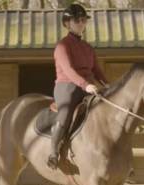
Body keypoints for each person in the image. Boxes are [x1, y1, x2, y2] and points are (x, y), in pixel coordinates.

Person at [47, 3, 109, 170]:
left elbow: (96, 70)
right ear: (67, 23)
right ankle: (53, 152)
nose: (81, 23)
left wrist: (108, 86)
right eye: (77, 20)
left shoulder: (88, 48)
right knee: (66, 112)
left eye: (83, 20)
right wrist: (86, 85)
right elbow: (68, 70)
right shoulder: (62, 46)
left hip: (87, 87)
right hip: (67, 86)